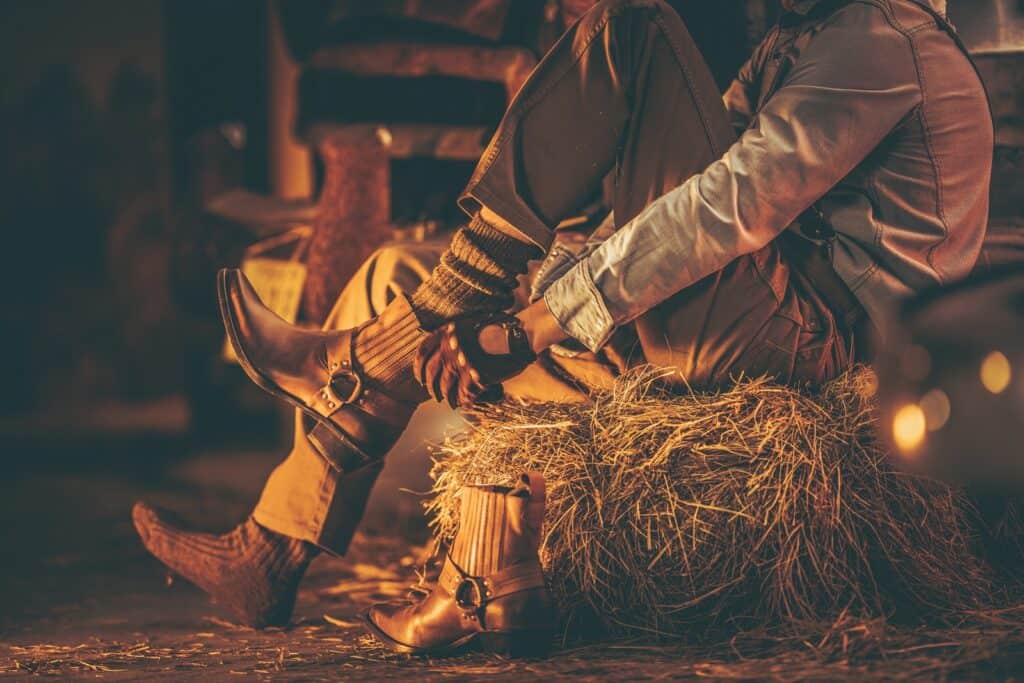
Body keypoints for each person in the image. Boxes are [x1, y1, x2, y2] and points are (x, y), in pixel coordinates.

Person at [133, 0, 992, 655]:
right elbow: (650, 194)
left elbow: (731, 206)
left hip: (813, 348)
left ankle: (409, 329)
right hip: (722, 326)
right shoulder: (797, 42)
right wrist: (521, 301)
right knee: (393, 275)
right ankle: (273, 552)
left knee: (633, 25)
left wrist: (539, 319)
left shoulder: (886, 41)